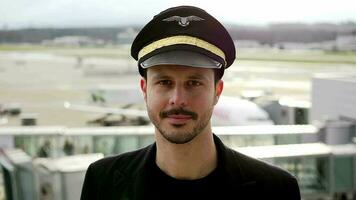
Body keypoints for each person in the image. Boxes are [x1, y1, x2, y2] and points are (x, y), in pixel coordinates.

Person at [80, 5, 300, 200]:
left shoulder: (276, 190)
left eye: (194, 83)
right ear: (145, 90)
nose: (178, 99)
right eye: (164, 82)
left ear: (217, 91)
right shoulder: (102, 182)